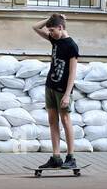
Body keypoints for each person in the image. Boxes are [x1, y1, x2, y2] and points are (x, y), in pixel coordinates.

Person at [33, 13, 80, 169]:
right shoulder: (55, 40)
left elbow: (73, 72)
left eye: (52, 30)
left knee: (65, 120)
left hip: (63, 90)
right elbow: (35, 27)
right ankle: (56, 157)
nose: (50, 33)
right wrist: (51, 17)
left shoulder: (71, 46)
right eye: (49, 30)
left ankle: (71, 157)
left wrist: (67, 94)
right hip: (50, 86)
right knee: (52, 121)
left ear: (61, 28)